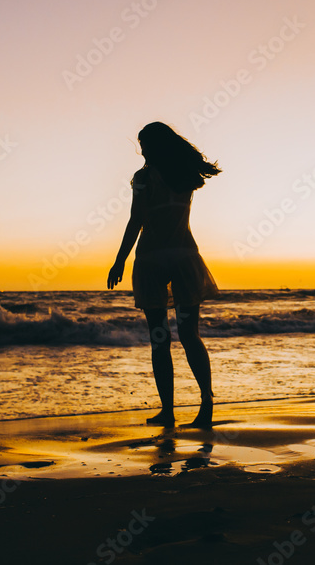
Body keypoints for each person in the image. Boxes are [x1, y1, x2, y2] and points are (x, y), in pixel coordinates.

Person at [107, 122, 221, 427]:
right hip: (184, 255)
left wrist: (119, 260)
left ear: (153, 146)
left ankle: (168, 411)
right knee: (190, 335)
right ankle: (206, 406)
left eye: (144, 144)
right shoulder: (186, 176)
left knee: (160, 338)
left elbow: (135, 221)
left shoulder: (144, 178)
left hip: (152, 258)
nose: (141, 149)